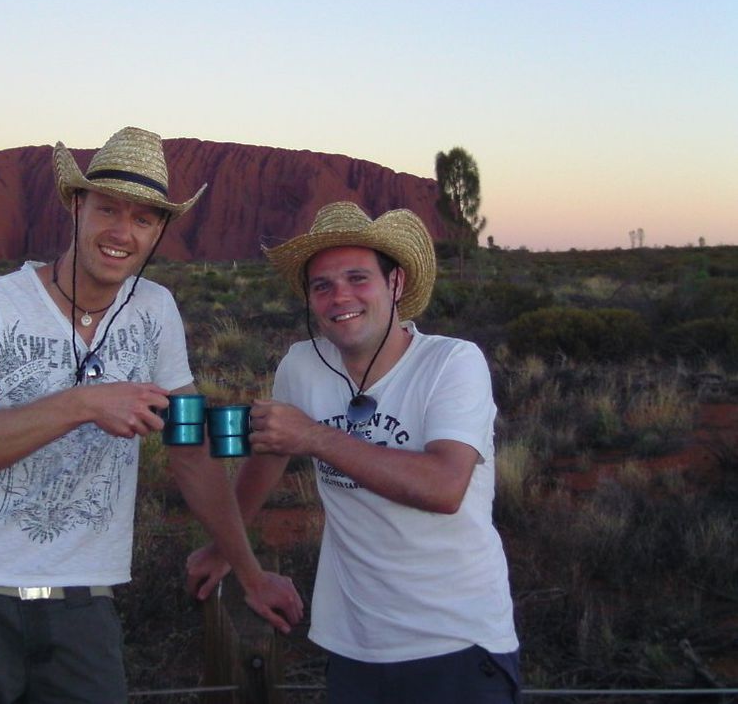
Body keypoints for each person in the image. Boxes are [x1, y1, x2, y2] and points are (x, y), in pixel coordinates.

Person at [0, 127, 303, 704]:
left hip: (84, 605)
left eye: (144, 218)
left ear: (159, 231)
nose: (122, 232)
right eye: (109, 210)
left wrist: (247, 571)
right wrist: (86, 402)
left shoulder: (155, 310)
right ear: (76, 206)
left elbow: (189, 450)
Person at [186, 201, 520, 703]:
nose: (339, 296)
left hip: (457, 641)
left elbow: (445, 486)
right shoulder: (302, 365)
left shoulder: (451, 362)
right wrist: (226, 550)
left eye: (357, 278)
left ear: (396, 284)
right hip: (354, 645)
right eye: (321, 285)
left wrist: (316, 437)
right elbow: (266, 463)